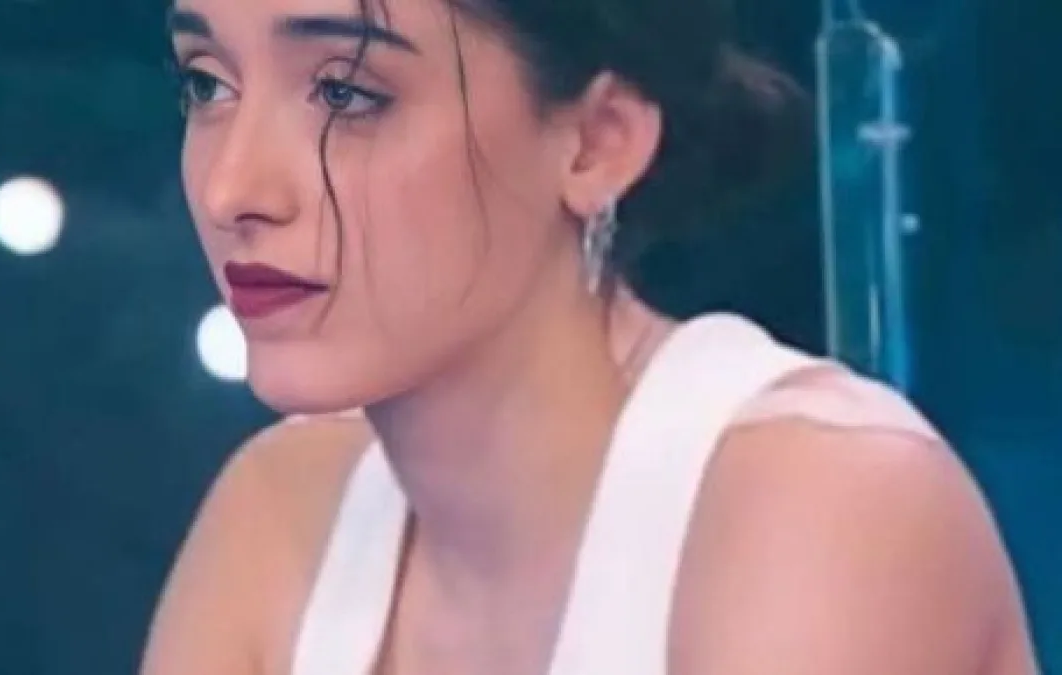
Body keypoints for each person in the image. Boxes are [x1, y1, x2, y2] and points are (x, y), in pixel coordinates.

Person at [142, 0, 1037, 671]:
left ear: (597, 143)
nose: (231, 189)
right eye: (206, 84)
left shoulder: (829, 505)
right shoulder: (277, 508)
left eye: (345, 93)